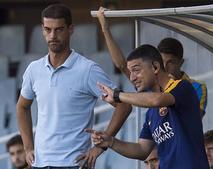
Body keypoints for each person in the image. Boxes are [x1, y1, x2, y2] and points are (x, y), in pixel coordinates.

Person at [16, 4, 131, 169]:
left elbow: (124, 106)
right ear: (42, 30)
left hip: (74, 164)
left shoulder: (88, 70)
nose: (52, 35)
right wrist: (27, 147)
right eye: (48, 29)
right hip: (40, 164)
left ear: (71, 29)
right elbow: (22, 107)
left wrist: (101, 146)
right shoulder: (34, 69)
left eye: (59, 29)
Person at [87, 44, 209, 169]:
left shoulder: (182, 87)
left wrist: (117, 95)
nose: (132, 78)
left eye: (136, 70)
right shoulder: (151, 112)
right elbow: (142, 150)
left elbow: (156, 100)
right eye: (130, 72)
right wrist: (111, 142)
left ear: (155, 67)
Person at [96, 7, 207, 118]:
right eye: (162, 62)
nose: (166, 66)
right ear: (156, 65)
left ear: (181, 62)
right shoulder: (151, 82)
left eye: (171, 62)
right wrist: (105, 29)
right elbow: (122, 65)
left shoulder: (193, 86)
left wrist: (117, 95)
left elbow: (194, 119)